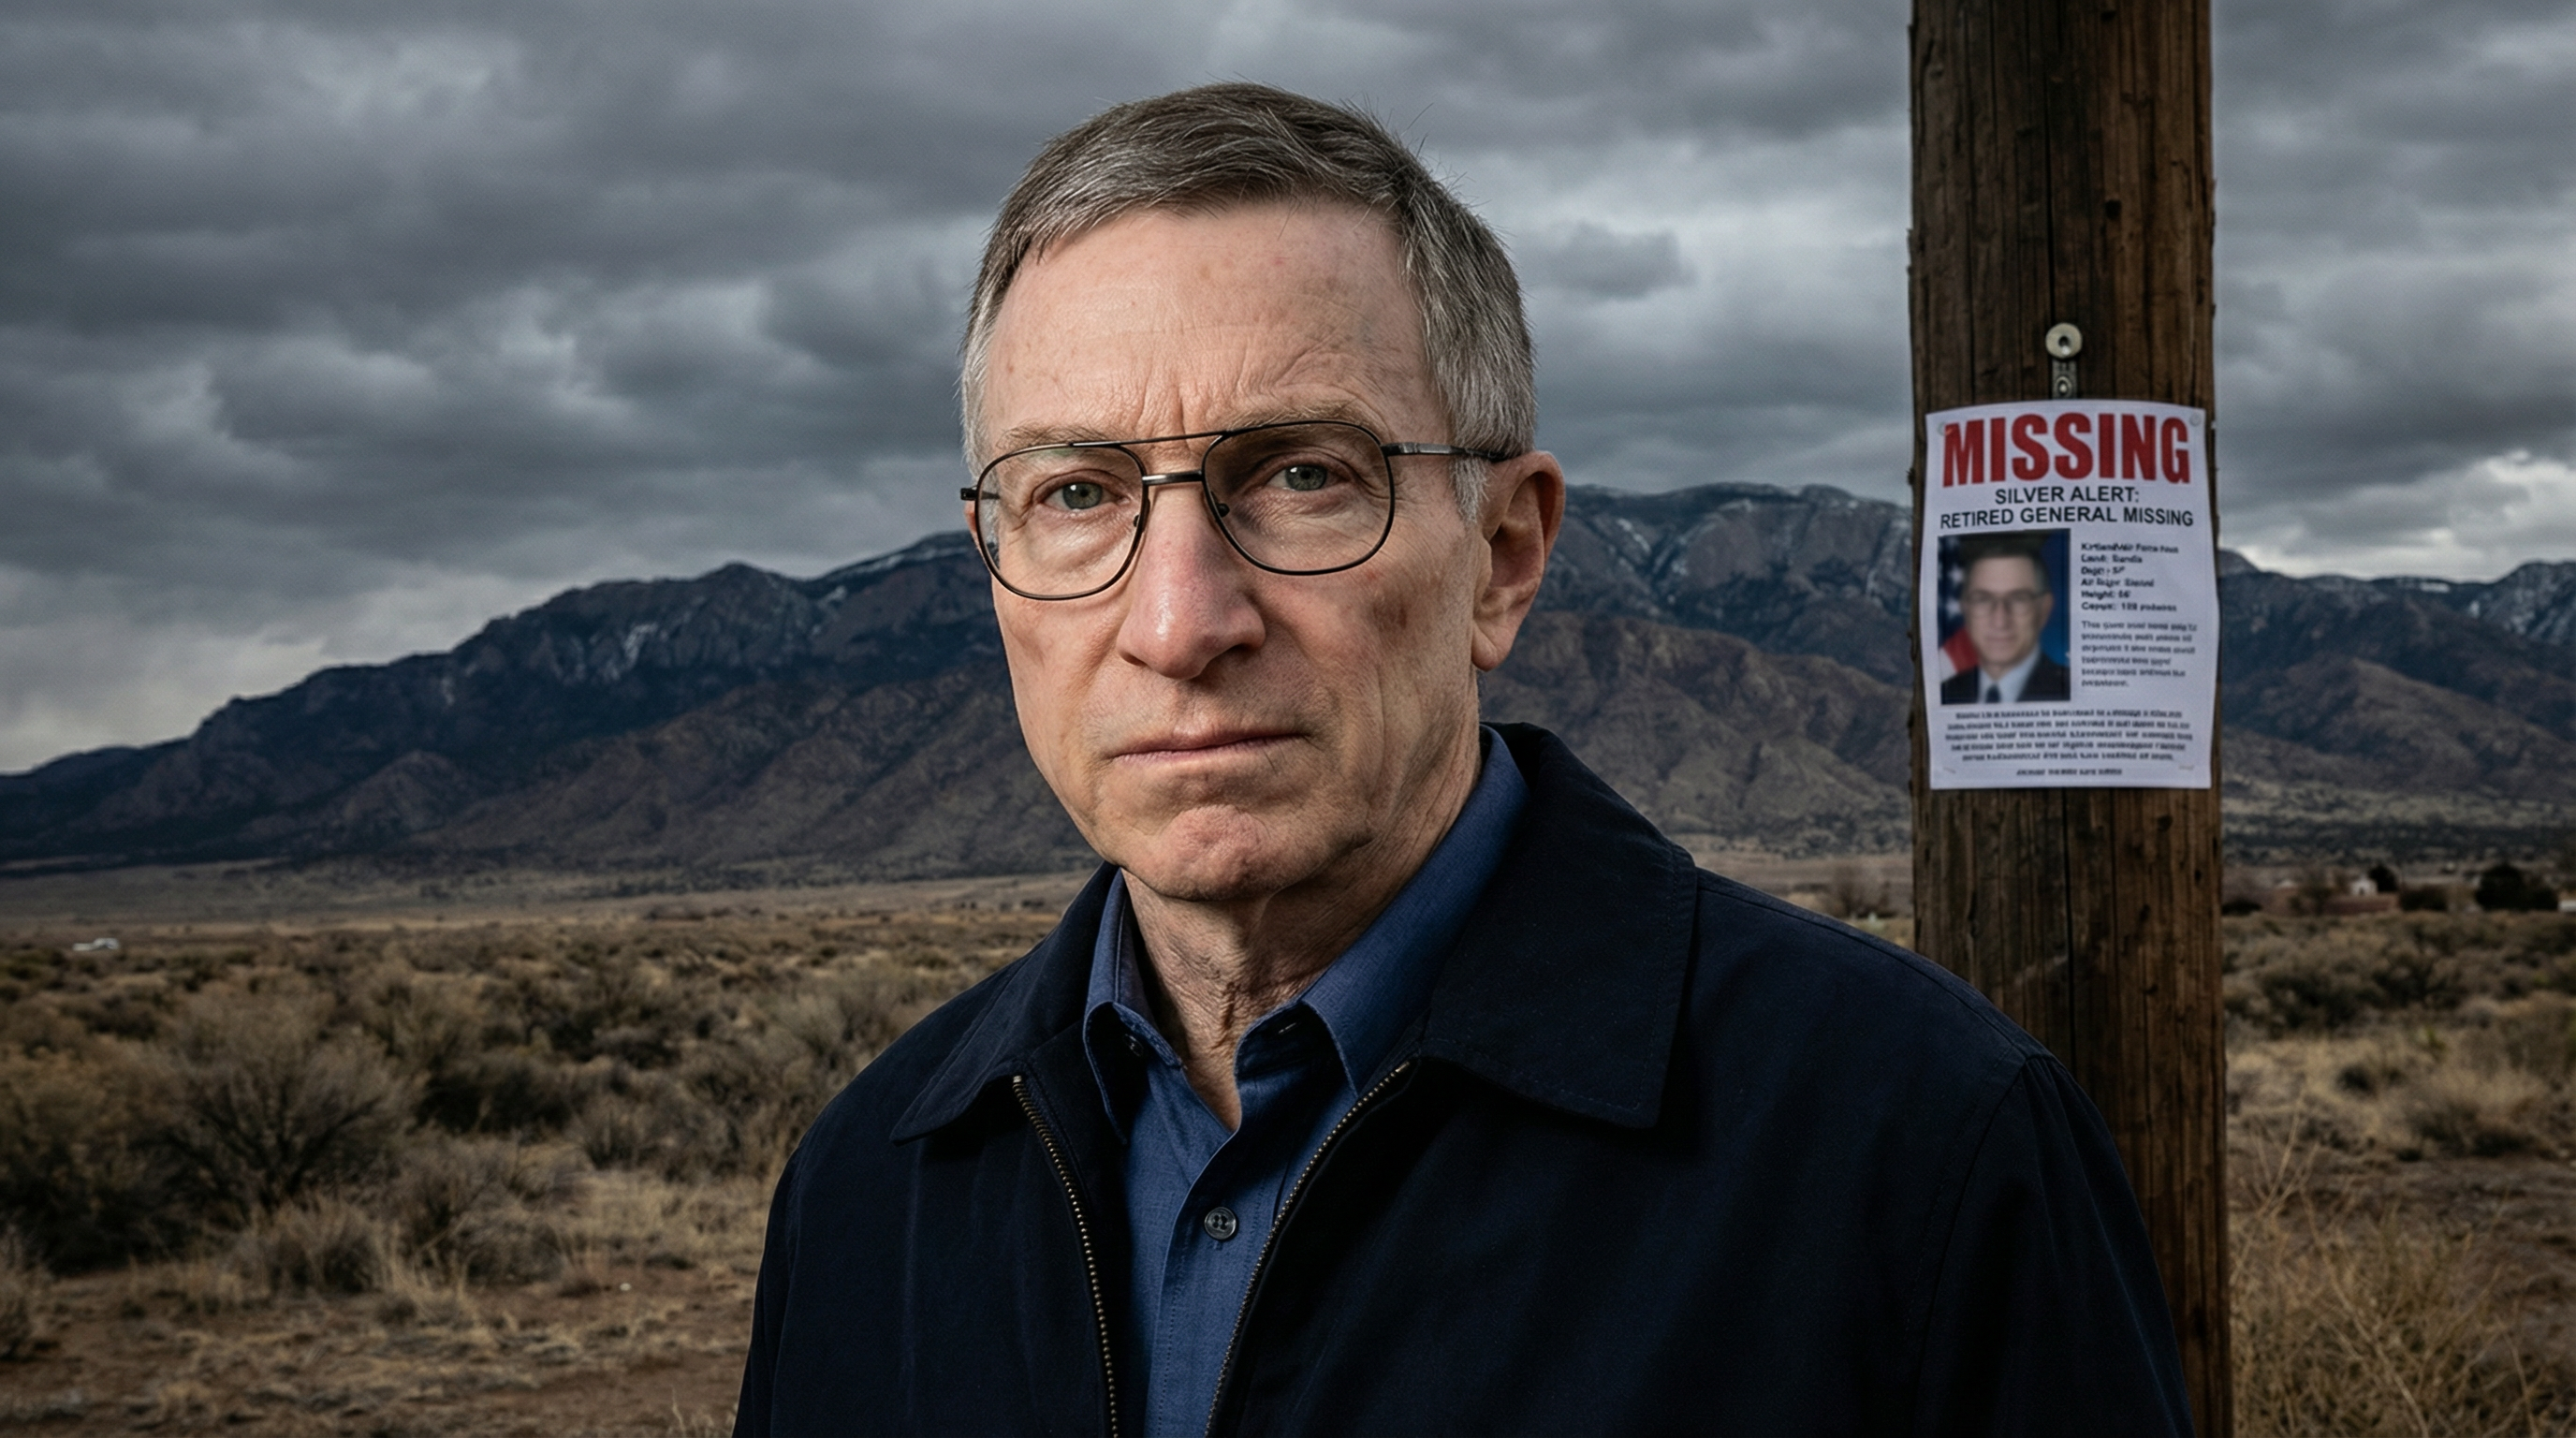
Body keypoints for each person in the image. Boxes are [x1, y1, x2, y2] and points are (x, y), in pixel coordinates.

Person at [736, 84, 2189, 1436]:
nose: (1179, 623)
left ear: (1502, 557)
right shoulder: (873, 1188)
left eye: (1302, 475)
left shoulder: (1918, 1148)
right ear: (994, 569)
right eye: (1075, 492)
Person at [1939, 534, 2072, 703]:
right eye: (1983, 599)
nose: (2000, 621)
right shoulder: (1946, 692)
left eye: (2018, 599)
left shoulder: (2071, 691)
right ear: (1965, 607)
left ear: (2044, 608)